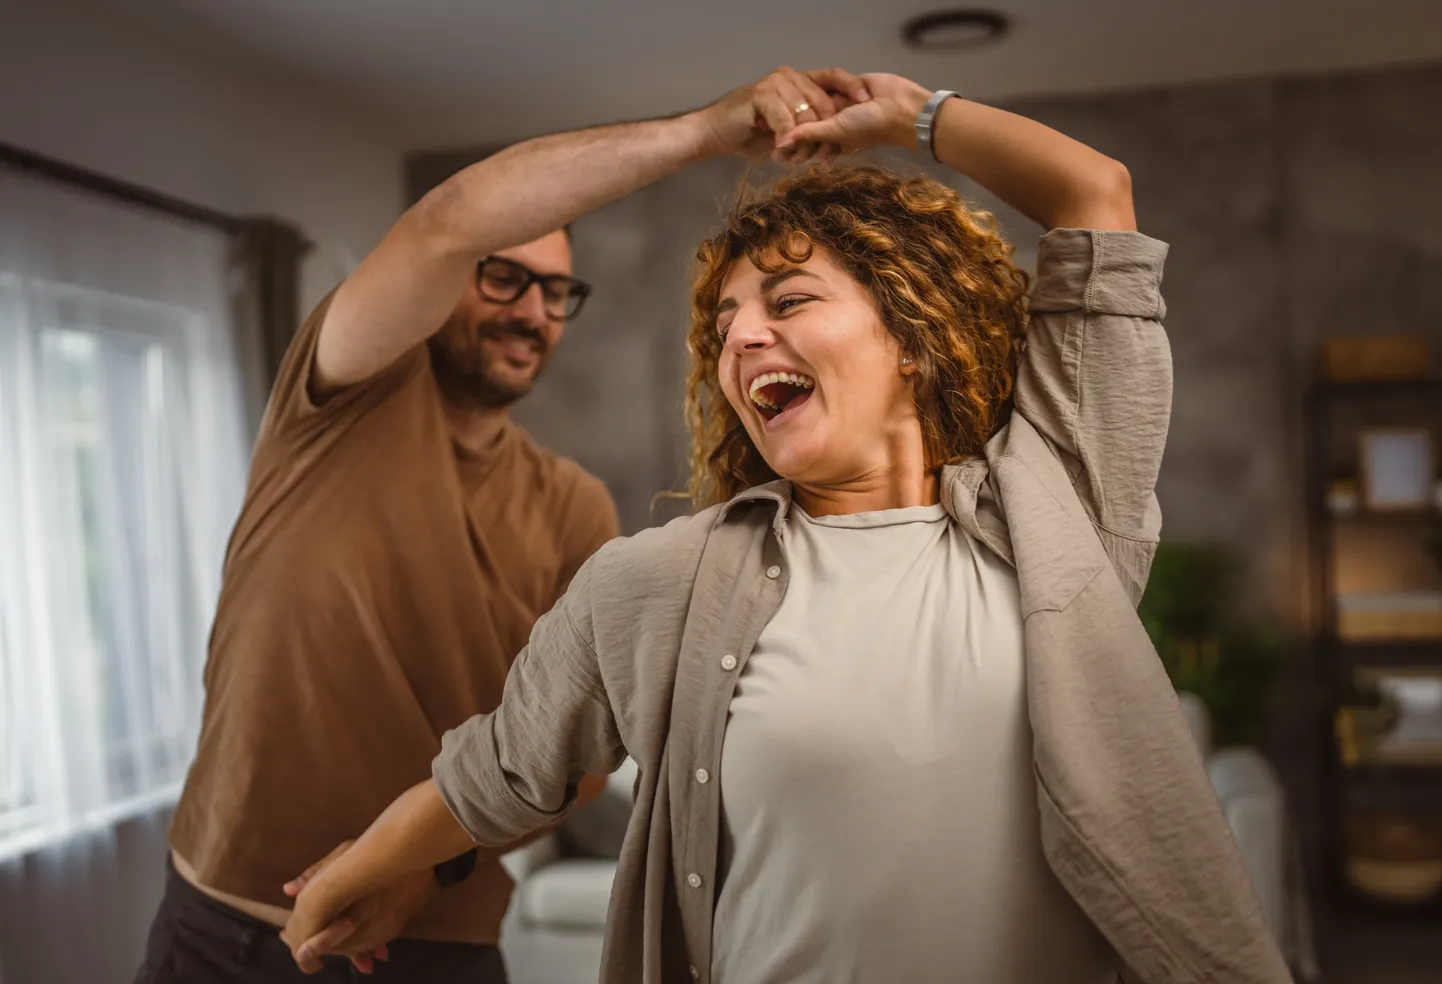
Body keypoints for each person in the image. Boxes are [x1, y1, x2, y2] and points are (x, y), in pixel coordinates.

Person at [280, 66, 1293, 984]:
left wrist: (911, 118)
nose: (740, 338)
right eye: (722, 328)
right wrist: (353, 871)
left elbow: (1093, 199)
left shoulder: (1058, 503)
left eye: (788, 299)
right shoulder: (658, 582)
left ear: (912, 334)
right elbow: (501, 768)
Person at [134, 145, 624, 980]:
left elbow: (581, 753)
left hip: (434, 946)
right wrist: (715, 127)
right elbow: (441, 226)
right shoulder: (340, 398)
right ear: (449, 277)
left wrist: (430, 865)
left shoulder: (577, 506)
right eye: (502, 276)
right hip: (214, 929)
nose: (532, 311)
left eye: (554, 292)